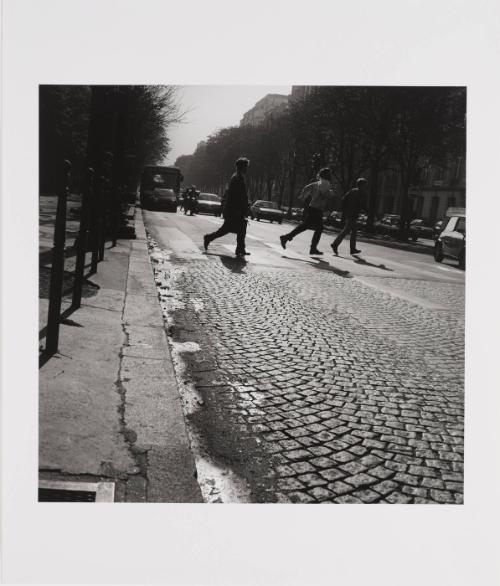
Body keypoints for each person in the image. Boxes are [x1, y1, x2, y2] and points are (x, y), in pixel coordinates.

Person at [279, 167, 334, 255]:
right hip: (317, 208)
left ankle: (286, 237)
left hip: (313, 207)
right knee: (318, 228)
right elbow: (324, 195)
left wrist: (303, 195)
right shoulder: (325, 183)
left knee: (305, 226)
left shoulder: (318, 182)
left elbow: (307, 187)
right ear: (326, 175)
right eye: (329, 173)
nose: (331, 175)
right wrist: (330, 193)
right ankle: (312, 248)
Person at [203, 157, 250, 257]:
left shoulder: (237, 177)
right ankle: (208, 238)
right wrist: (238, 209)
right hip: (234, 210)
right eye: (246, 167)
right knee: (228, 229)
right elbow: (236, 196)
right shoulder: (237, 178)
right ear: (243, 167)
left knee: (239, 229)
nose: (247, 169)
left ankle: (240, 249)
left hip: (234, 209)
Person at [331, 177, 367, 255]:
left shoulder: (352, 191)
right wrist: (366, 210)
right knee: (347, 230)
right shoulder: (360, 192)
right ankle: (335, 244)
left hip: (349, 213)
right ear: (361, 185)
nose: (365, 187)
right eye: (364, 185)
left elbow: (344, 199)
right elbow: (361, 204)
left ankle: (352, 248)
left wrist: (345, 210)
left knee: (352, 231)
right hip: (352, 214)